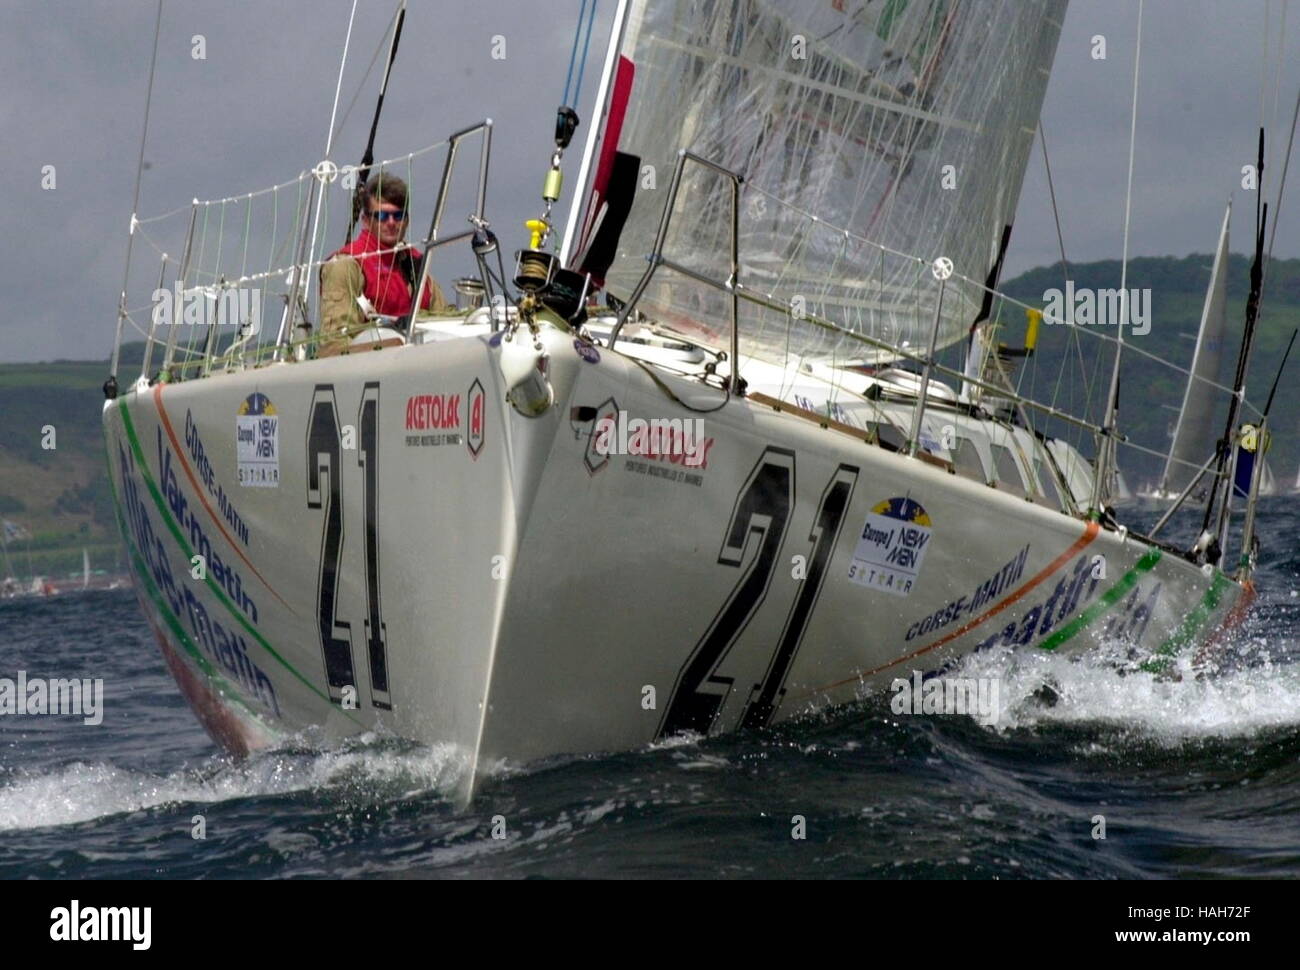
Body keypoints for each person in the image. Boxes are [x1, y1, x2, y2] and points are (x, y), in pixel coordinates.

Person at [317, 172, 447, 355]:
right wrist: (395, 347)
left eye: (398, 216)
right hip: (369, 372)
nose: (392, 223)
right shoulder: (345, 266)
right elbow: (334, 346)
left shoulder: (416, 266)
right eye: (383, 216)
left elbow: (445, 321)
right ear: (366, 220)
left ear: (407, 221)